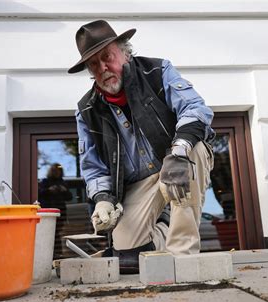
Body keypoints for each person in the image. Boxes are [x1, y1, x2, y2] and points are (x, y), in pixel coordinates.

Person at [69, 20, 214, 273]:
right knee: (127, 254)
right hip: (138, 184)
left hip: (176, 161)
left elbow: (196, 109)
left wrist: (179, 150)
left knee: (196, 148)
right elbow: (93, 167)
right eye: (94, 64)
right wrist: (103, 200)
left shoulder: (157, 71)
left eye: (107, 57)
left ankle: (183, 257)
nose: (103, 68)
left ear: (125, 52)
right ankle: (165, 228)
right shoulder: (86, 110)